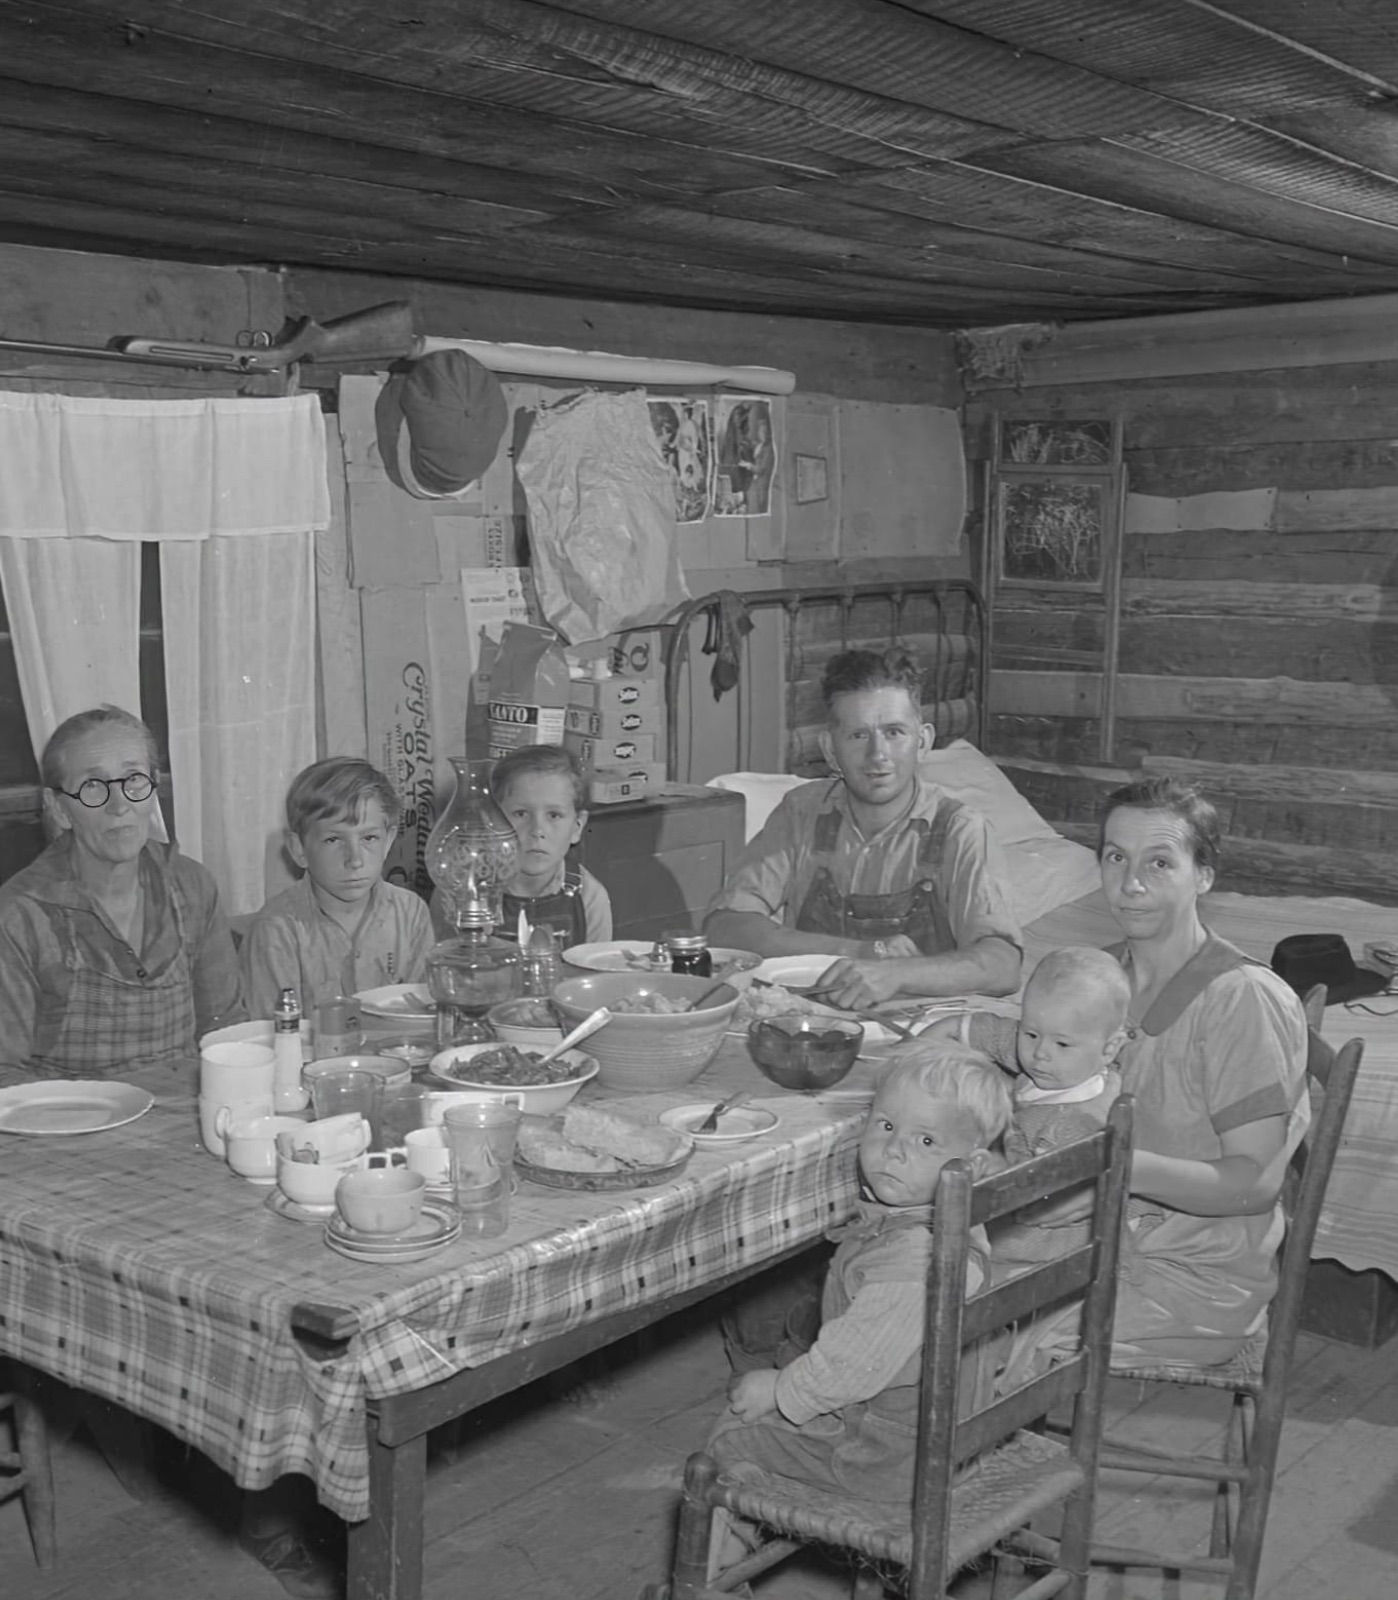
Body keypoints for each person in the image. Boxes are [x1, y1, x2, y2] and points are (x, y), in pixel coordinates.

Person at [1019, 777, 1310, 1372]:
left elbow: (1253, 1184)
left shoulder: (1242, 1001)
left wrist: (1109, 1162)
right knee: (928, 1282)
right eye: (1115, 857)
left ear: (1204, 874)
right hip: (1101, 1239)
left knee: (982, 1329)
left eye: (1159, 863)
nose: (1130, 884)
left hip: (1194, 1277)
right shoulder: (1103, 978)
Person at [707, 1043, 1012, 1528]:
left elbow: (854, 1364)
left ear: (971, 1166)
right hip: (946, 1439)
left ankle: (721, 1574)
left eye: (927, 1142)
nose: (894, 1150)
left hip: (889, 1461)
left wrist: (783, 1389)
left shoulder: (913, 1262)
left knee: (733, 1434)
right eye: (887, 1126)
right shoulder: (954, 1221)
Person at [705, 646, 1022, 1009]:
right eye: (858, 735)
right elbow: (724, 928)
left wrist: (898, 974)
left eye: (894, 732)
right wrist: (852, 952)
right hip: (812, 1025)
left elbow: (1003, 965)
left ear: (923, 742)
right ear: (829, 749)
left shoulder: (959, 830)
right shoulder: (802, 812)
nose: (877, 755)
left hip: (924, 1034)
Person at [0, 704, 244, 1079]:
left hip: (183, 1122)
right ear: (60, 809)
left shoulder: (192, 886)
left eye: (133, 779)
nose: (120, 805)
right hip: (66, 1127)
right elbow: (4, 1074)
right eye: (93, 786)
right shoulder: (21, 914)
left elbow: (225, 1032)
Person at [928, 946, 1142, 1266]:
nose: (1039, 1052)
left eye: (1061, 1043)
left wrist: (990, 1165)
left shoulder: (1076, 1125)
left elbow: (1038, 1201)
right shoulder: (1060, 1062)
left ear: (1110, 1049)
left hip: (1049, 1249)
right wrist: (926, 1043)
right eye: (1031, 1034)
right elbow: (989, 1032)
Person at [241, 757, 435, 1021]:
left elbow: (424, 1015)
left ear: (388, 841)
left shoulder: (410, 913)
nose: (354, 860)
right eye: (334, 840)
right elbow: (272, 1037)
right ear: (299, 849)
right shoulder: (276, 929)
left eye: (369, 838)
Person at [428, 745, 613, 947]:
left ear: (577, 827)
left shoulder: (589, 897)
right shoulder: (458, 890)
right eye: (521, 814)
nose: (537, 830)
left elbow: (596, 973)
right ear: (493, 820)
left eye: (554, 815)